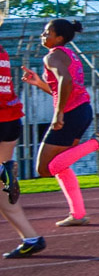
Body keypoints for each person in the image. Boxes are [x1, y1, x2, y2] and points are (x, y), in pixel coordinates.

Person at [20, 19, 99, 226]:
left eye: (47, 32)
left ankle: (96, 144)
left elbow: (65, 81)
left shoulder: (53, 56)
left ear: (59, 38)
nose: (43, 35)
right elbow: (62, 88)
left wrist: (58, 114)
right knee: (60, 166)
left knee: (44, 169)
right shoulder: (69, 55)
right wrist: (39, 83)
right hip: (81, 111)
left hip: (71, 114)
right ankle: (77, 214)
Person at [0, 42, 46, 257]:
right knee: (2, 192)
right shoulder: (2, 50)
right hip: (10, 120)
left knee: (3, 186)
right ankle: (31, 238)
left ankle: (5, 174)